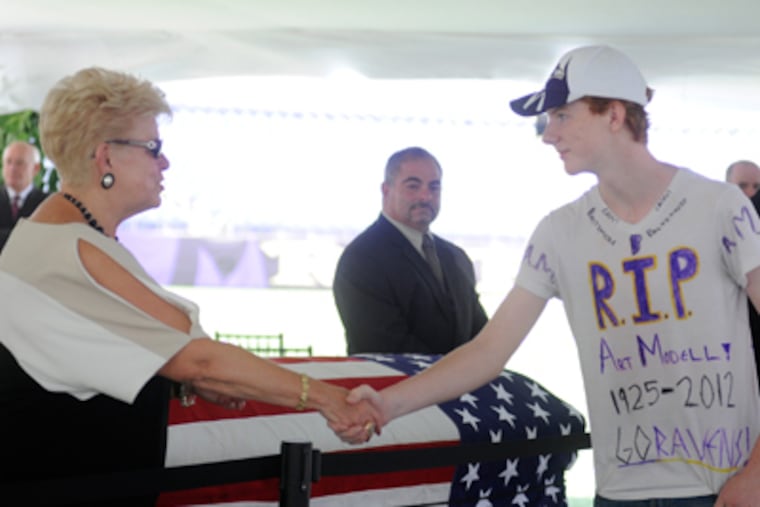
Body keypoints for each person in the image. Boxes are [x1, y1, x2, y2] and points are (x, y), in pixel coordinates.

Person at [340, 45, 760, 506]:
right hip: (618, 494)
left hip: (726, 489)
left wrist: (756, 475)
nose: (548, 134)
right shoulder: (559, 232)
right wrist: (386, 404)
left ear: (614, 114)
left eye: (562, 115)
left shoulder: (721, 207)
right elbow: (487, 352)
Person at [0, 67, 377, 506]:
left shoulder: (54, 235)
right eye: (153, 148)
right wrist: (328, 398)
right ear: (106, 158)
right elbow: (198, 360)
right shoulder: (70, 249)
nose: (164, 162)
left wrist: (187, 380)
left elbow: (114, 353)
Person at [332, 146, 488, 354]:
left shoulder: (455, 257)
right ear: (386, 190)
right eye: (413, 186)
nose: (426, 196)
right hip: (396, 385)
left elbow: (482, 337)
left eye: (434, 187)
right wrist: (457, 378)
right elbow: (383, 347)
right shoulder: (362, 259)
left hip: (463, 385)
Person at [0, 140, 48, 251]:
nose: (12, 168)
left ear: (36, 168)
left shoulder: (47, 203)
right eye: (8, 162)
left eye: (19, 163)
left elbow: (44, 241)